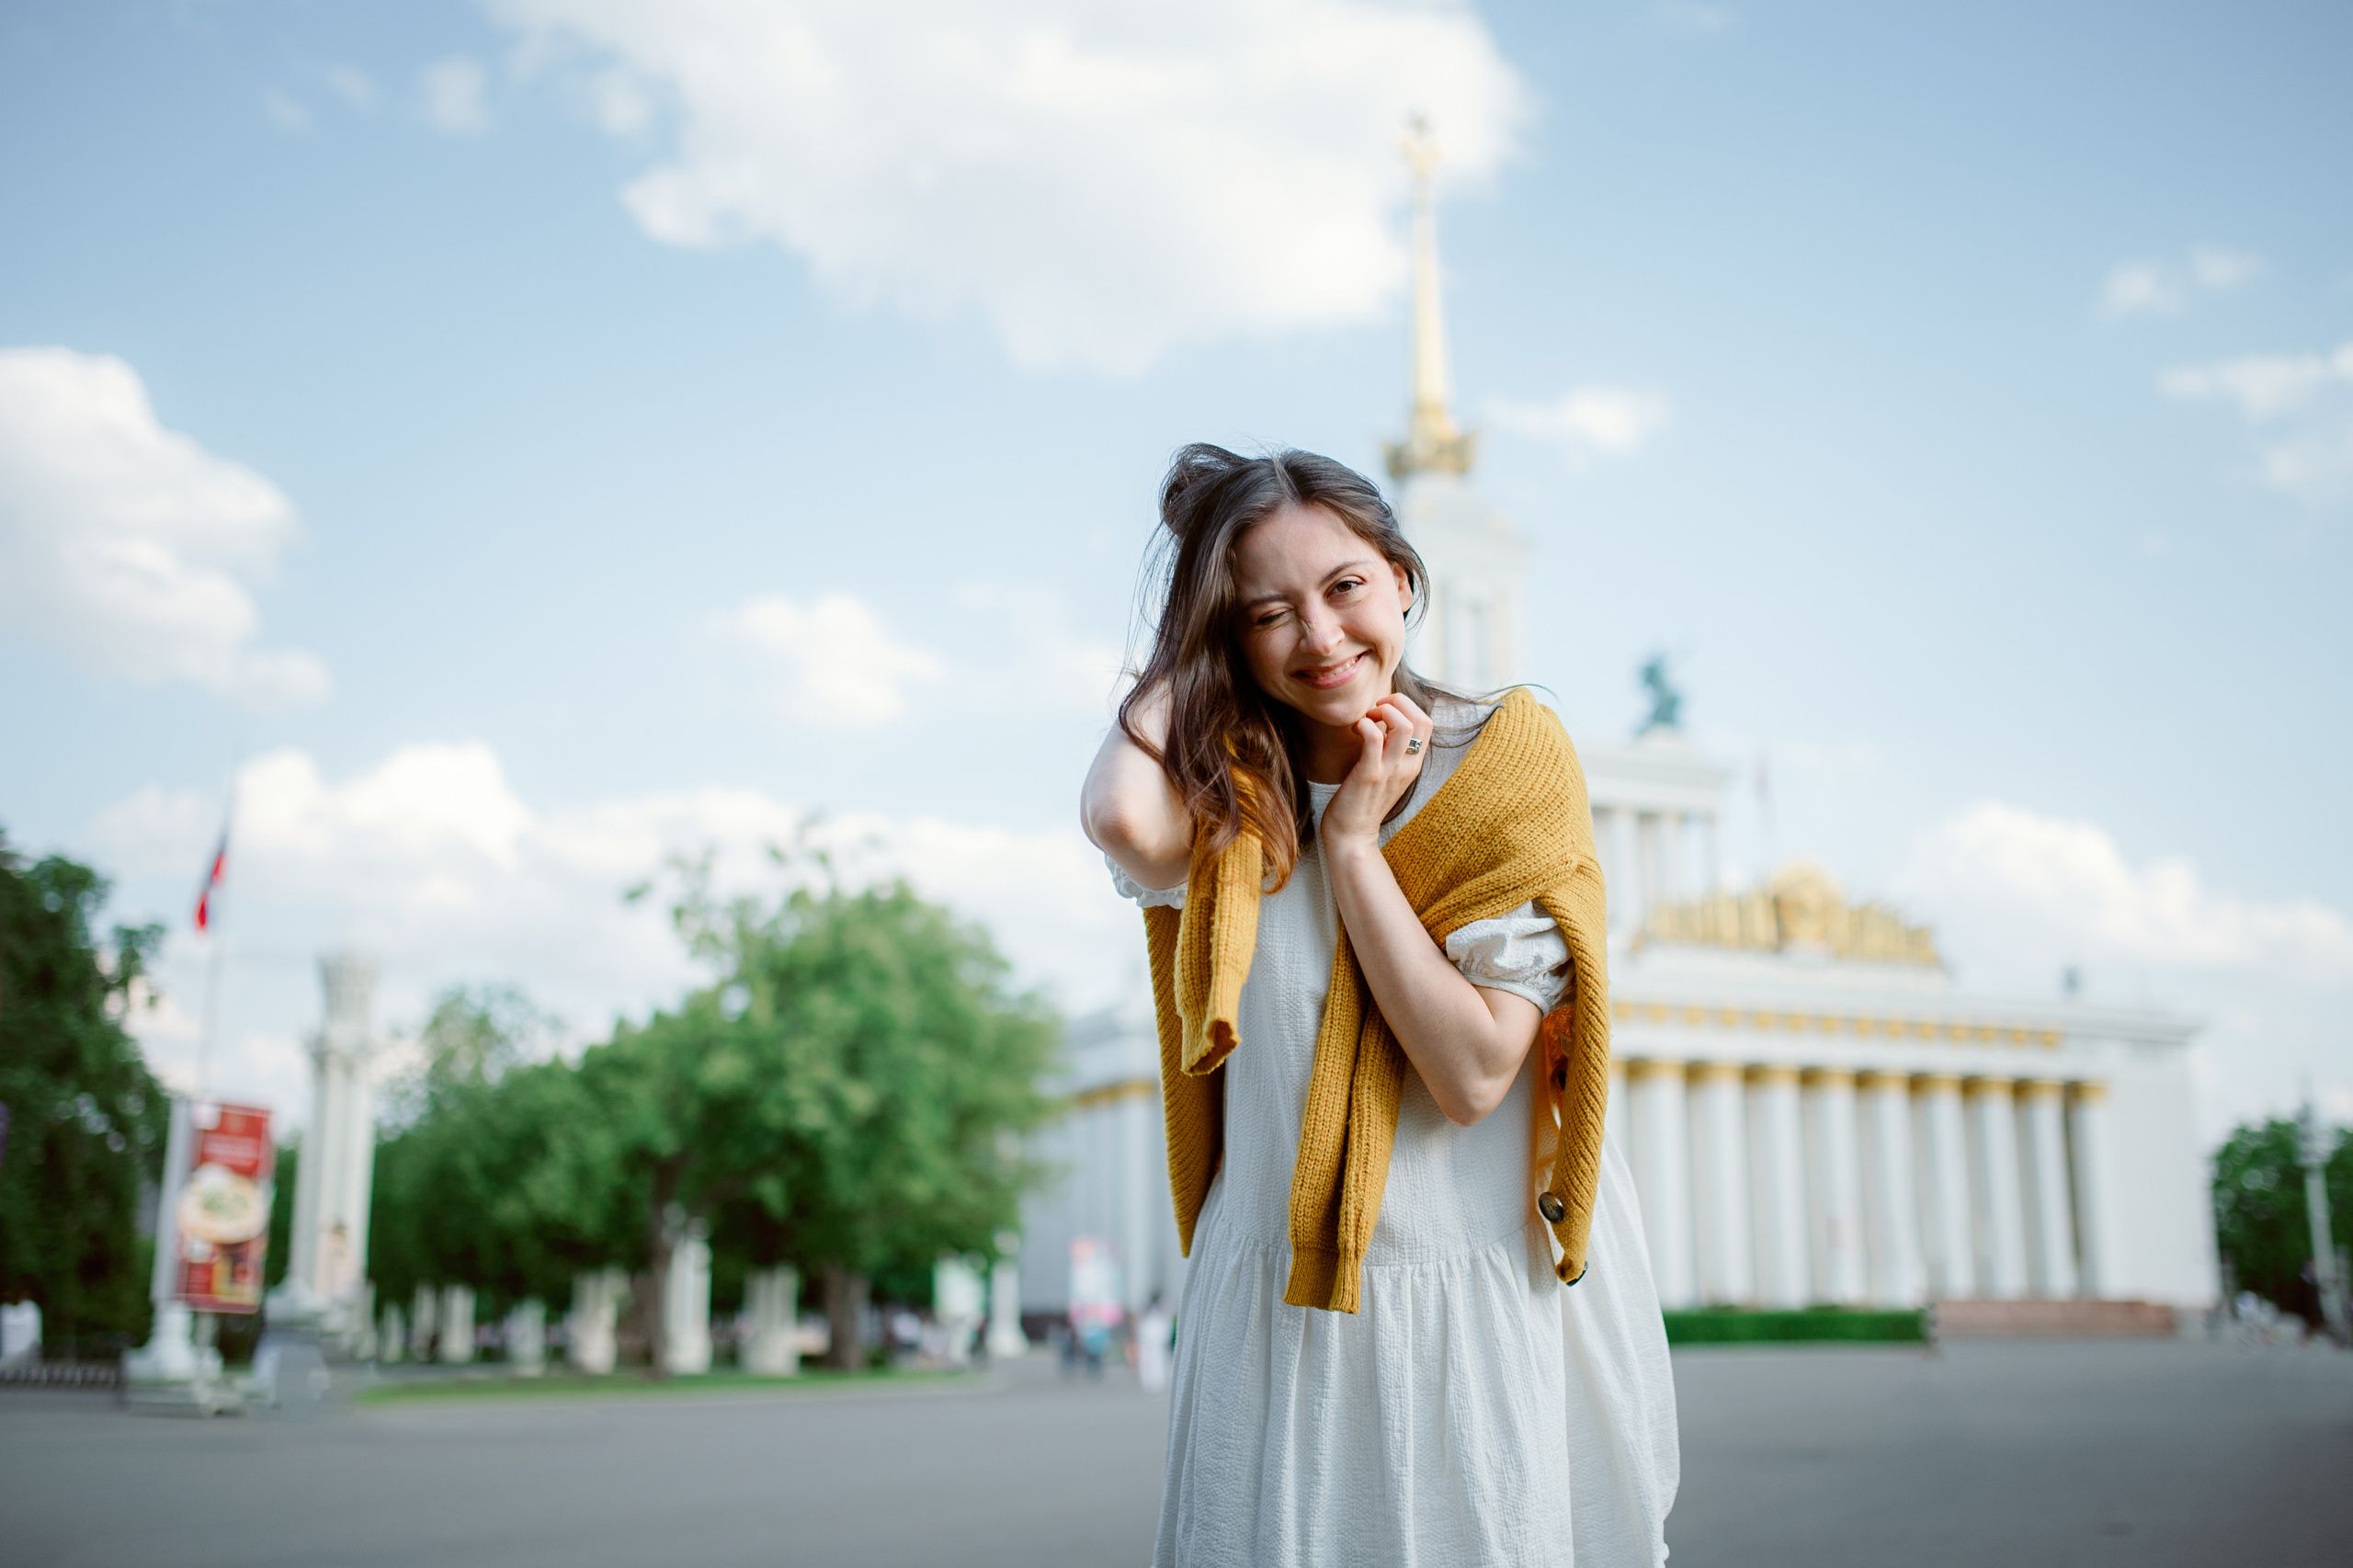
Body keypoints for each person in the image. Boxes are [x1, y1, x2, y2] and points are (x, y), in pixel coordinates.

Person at [1082, 446, 1679, 1567]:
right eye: (1266, 612)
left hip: (1455, 1306)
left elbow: (1470, 1075)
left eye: (1344, 585)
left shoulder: (1498, 762)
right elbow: (1119, 817)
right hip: (1275, 1308)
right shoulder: (1225, 799)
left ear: (1402, 576)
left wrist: (1352, 844)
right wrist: (1182, 642)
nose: (1319, 637)